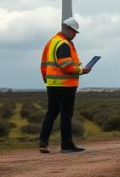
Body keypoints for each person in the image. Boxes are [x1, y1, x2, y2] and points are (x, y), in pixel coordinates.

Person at [38, 17, 90, 154]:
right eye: (74, 32)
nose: (75, 35)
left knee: (51, 112)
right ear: (68, 29)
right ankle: (66, 145)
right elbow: (65, 65)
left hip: (52, 84)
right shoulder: (64, 44)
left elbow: (44, 63)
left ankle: (43, 141)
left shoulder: (52, 42)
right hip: (65, 85)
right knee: (66, 115)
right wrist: (81, 70)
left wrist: (46, 78)